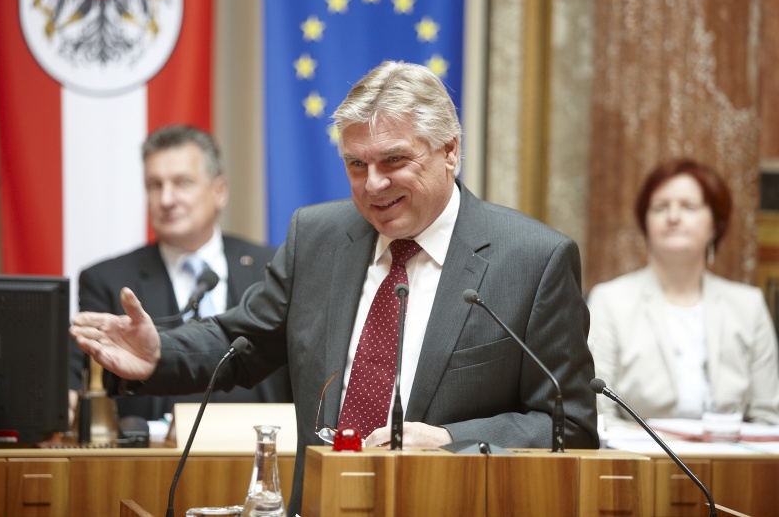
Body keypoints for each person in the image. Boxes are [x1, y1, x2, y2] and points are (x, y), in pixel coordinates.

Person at [71, 61, 598, 514]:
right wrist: (160, 352)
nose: (373, 185)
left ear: (450, 151)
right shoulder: (318, 236)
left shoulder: (532, 259)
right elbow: (242, 341)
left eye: (394, 160)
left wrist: (450, 440)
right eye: (356, 165)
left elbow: (568, 425)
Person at [68, 125, 293, 424]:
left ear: (219, 191)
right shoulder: (107, 281)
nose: (166, 199)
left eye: (182, 183)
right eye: (155, 185)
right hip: (154, 462)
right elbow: (83, 387)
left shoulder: (273, 267)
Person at [588, 158, 779, 429]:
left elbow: (768, 418)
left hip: (732, 463)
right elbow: (598, 413)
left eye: (689, 206)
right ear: (646, 222)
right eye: (660, 207)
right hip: (640, 461)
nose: (673, 217)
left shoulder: (749, 306)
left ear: (715, 224)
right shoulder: (610, 301)